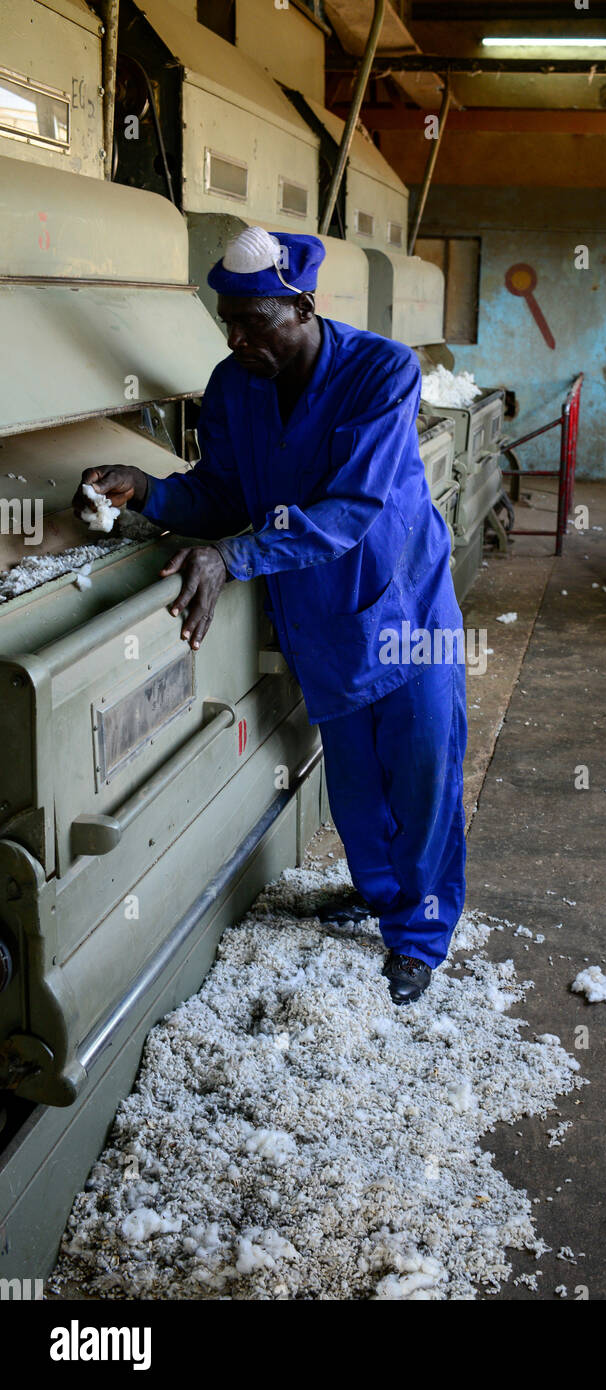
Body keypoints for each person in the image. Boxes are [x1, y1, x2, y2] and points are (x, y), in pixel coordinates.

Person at [73, 227, 467, 1006]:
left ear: (303, 307)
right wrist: (149, 491)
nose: (237, 337)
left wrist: (235, 558)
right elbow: (221, 493)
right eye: (229, 320)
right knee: (356, 789)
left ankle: (419, 935)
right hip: (325, 621)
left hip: (405, 607)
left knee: (423, 779)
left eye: (254, 321)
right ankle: (381, 892)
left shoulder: (381, 372)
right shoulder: (232, 386)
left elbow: (353, 507)